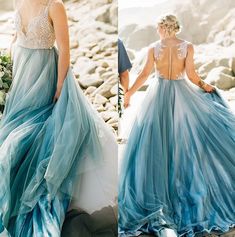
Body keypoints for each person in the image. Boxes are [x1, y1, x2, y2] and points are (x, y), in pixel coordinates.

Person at [0, 0, 117, 236]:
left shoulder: (54, 6)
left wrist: (61, 85)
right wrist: (7, 71)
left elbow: (64, 49)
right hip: (22, 76)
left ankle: (30, 197)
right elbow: (15, 39)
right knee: (12, 131)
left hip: (45, 75)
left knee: (36, 133)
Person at [118, 14, 235, 237]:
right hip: (182, 94)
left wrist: (130, 93)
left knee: (157, 143)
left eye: (158, 27)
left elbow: (144, 74)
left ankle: (160, 194)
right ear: (176, 28)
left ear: (162, 28)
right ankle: (184, 187)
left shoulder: (154, 48)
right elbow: (191, 76)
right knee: (185, 141)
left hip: (159, 95)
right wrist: (206, 86)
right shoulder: (187, 47)